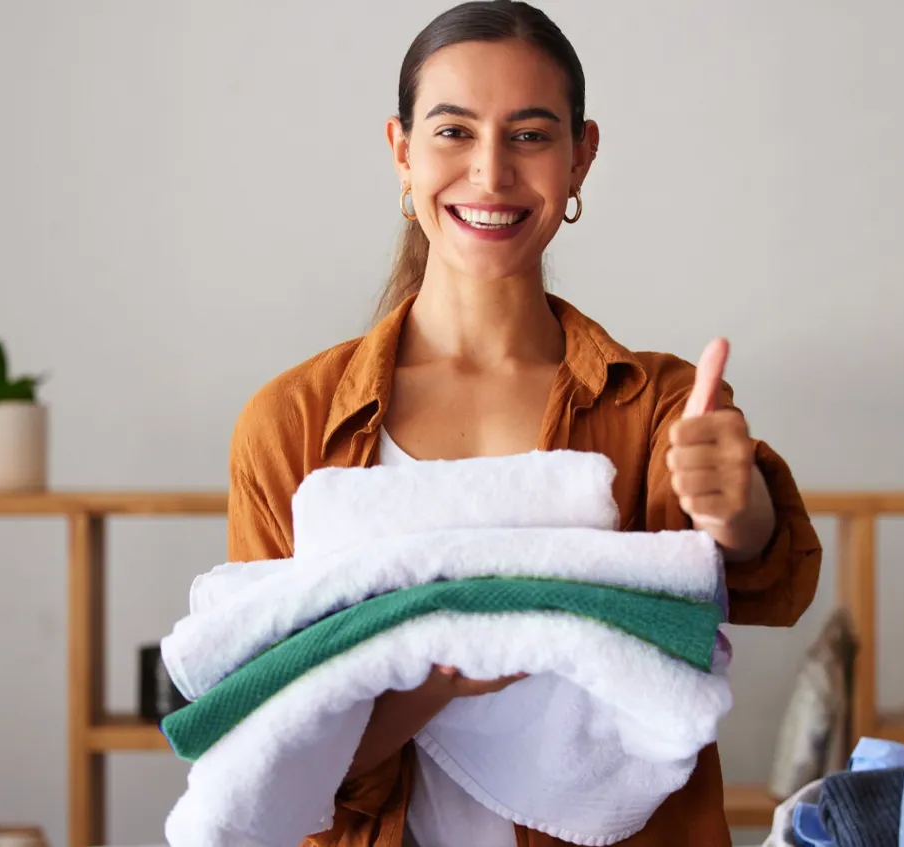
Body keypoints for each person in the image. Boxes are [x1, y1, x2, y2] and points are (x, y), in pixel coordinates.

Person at [223, 2, 825, 845]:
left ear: (581, 157)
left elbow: (767, 580)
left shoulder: (655, 405)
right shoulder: (291, 425)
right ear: (402, 151)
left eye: (532, 135)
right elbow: (269, 751)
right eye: (454, 132)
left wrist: (738, 513)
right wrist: (438, 669)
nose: (492, 172)